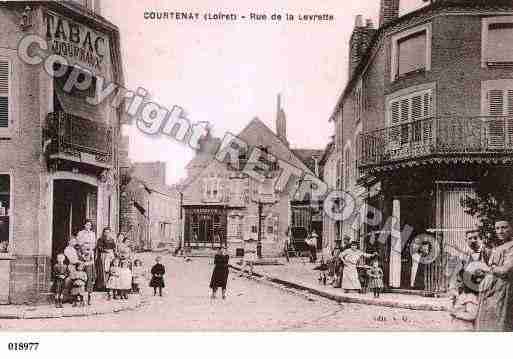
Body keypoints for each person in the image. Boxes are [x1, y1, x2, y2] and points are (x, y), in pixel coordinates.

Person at [475, 219, 513, 331]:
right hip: (490, 289)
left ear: (511, 229)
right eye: (497, 228)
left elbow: (506, 270)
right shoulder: (498, 247)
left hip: (503, 289)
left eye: (504, 227)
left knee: (499, 323)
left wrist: (489, 269)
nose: (500, 231)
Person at [449, 229, 490, 322]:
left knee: (477, 317)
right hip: (466, 291)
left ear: (480, 239)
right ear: (466, 240)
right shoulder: (462, 255)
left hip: (481, 291)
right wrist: (454, 290)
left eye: (475, 238)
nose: (473, 240)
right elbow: (456, 274)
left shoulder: (486, 253)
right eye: (470, 238)